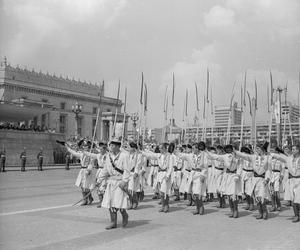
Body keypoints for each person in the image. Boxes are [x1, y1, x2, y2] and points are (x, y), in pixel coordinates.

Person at [97, 138, 130, 230]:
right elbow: (105, 169)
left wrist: (124, 181)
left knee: (119, 203)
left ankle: (125, 215)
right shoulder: (108, 156)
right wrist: (99, 180)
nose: (110, 147)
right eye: (110, 145)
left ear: (118, 146)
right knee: (111, 203)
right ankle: (113, 222)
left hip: (120, 182)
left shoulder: (124, 156)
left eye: (112, 145)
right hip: (111, 182)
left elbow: (127, 170)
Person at [235, 142, 271, 220]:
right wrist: (235, 151)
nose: (256, 150)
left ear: (262, 149)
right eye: (256, 148)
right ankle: (260, 212)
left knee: (262, 195)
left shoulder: (267, 157)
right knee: (257, 196)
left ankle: (265, 211)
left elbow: (268, 169)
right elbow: (244, 156)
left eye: (258, 148)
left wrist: (267, 179)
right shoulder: (253, 157)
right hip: (255, 179)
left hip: (263, 179)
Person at [208, 144, 241, 218]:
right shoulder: (224, 156)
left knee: (234, 194)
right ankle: (232, 210)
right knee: (229, 195)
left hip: (234, 176)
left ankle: (236, 210)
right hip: (227, 176)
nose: (229, 150)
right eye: (227, 149)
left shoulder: (237, 156)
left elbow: (240, 166)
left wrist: (238, 175)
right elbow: (215, 157)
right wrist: (206, 151)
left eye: (230, 148)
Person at [142, 142, 175, 213]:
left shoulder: (170, 156)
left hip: (166, 175)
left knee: (165, 191)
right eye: (159, 148)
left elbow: (171, 167)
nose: (160, 149)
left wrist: (167, 175)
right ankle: (163, 206)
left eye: (161, 148)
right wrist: (140, 151)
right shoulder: (159, 155)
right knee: (161, 192)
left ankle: (166, 205)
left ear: (165, 148)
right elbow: (150, 155)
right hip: (160, 175)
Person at [271, 144, 300, 223]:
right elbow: (280, 157)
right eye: (292, 149)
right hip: (292, 180)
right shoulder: (289, 159)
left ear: (298, 150)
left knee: (298, 199)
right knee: (293, 199)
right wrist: (271, 154)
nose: (292, 151)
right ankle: (296, 215)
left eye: (294, 149)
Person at [178, 141, 208, 215]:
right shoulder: (191, 155)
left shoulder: (203, 155)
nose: (193, 150)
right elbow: (182, 155)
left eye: (194, 148)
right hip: (192, 174)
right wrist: (174, 151)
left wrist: (203, 175)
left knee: (198, 193)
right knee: (193, 193)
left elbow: (205, 167)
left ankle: (201, 207)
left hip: (199, 174)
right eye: (192, 148)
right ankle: (197, 208)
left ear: (198, 149)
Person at [65, 140, 95, 206]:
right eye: (84, 146)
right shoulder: (82, 154)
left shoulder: (90, 155)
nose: (85, 148)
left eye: (86, 146)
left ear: (89, 147)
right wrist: (68, 148)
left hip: (87, 171)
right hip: (82, 170)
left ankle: (85, 200)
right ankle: (89, 198)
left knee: (86, 186)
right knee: (82, 185)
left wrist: (89, 170)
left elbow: (91, 163)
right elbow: (74, 153)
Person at [269, 147, 285, 212]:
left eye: (275, 151)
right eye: (273, 152)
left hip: (278, 175)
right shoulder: (270, 158)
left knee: (276, 191)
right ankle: (273, 206)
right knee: (271, 191)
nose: (273, 153)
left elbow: (283, 168)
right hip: (271, 174)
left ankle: (278, 205)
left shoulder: (281, 159)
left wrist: (281, 176)